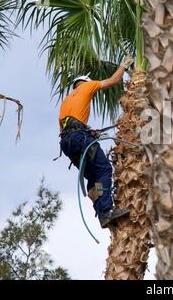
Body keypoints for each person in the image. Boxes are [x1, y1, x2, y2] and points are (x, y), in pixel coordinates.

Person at [58, 56, 134, 228]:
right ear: (84, 82)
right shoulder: (87, 85)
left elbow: (65, 129)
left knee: (94, 178)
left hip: (68, 144)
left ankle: (102, 214)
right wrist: (123, 66)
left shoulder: (66, 101)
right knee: (105, 169)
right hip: (79, 138)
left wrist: (88, 132)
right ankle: (106, 210)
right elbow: (114, 80)